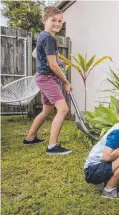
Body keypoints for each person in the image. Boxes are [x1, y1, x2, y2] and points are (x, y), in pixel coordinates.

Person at [23, 6, 72, 155]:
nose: (57, 23)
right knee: (63, 109)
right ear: (44, 20)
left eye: (60, 21)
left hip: (42, 77)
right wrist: (66, 82)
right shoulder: (49, 38)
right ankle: (52, 146)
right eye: (53, 20)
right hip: (47, 78)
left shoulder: (43, 36)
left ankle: (30, 137)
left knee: (47, 110)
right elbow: (52, 65)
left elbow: (39, 54)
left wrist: (57, 61)